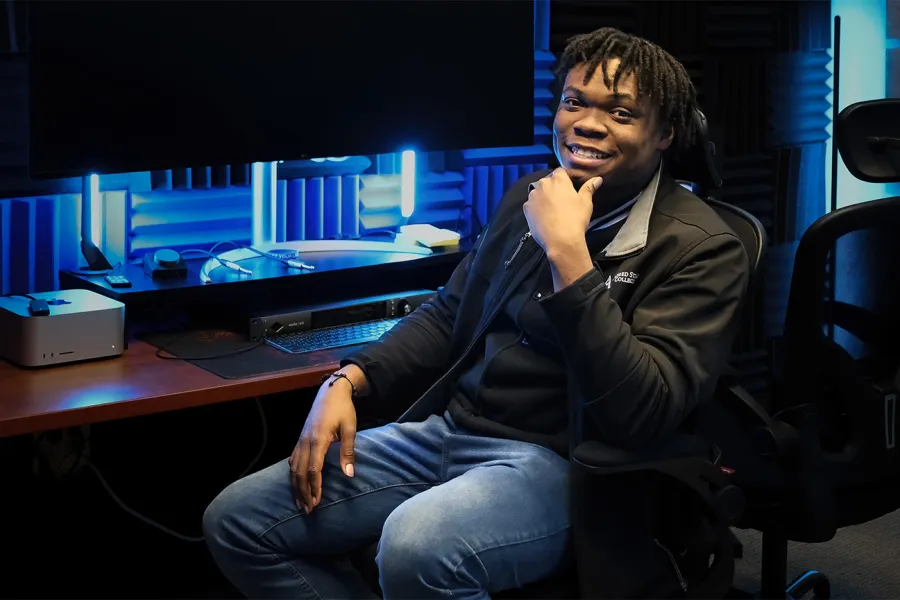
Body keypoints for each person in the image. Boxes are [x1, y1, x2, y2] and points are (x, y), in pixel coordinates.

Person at [203, 27, 750, 600]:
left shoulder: (700, 247)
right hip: (450, 431)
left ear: (664, 133)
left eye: (620, 112)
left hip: (565, 467)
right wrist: (347, 380)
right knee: (239, 521)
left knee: (417, 547)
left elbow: (641, 412)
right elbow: (448, 314)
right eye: (574, 102)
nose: (588, 123)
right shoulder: (528, 198)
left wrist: (569, 256)